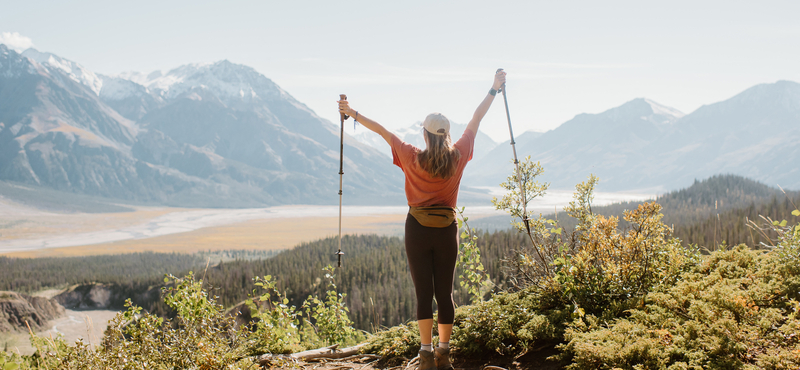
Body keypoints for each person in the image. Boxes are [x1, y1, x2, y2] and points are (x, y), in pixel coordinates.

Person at [338, 70, 506, 370]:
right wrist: (494, 89)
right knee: (445, 293)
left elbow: (382, 131)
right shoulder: (460, 154)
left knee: (423, 294)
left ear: (425, 135)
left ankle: (426, 356)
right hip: (446, 231)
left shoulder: (411, 155)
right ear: (447, 135)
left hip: (417, 229)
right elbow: (476, 119)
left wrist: (351, 113)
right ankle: (444, 354)